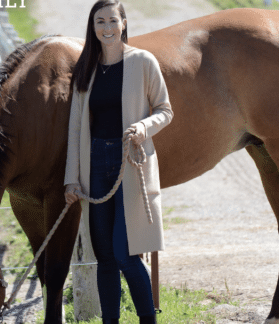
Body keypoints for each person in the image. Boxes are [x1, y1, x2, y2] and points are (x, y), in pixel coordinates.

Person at [64, 0, 173, 323]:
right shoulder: (87, 68)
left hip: (130, 160)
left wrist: (143, 126)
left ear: (124, 23)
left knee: (126, 254)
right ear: (93, 27)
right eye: (100, 21)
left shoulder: (142, 61)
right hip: (96, 161)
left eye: (113, 20)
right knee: (105, 257)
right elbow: (75, 127)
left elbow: (165, 110)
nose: (107, 28)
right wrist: (72, 177)